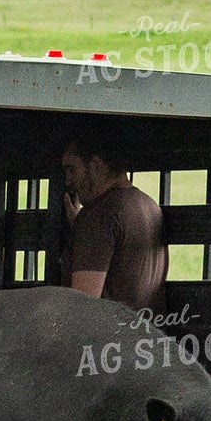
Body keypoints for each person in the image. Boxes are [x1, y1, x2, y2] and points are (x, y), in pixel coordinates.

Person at [59, 132, 168, 313]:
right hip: (146, 329)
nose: (68, 181)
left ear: (95, 165)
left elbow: (83, 305)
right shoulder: (150, 206)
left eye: (72, 169)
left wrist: (85, 227)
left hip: (106, 331)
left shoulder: (98, 215)